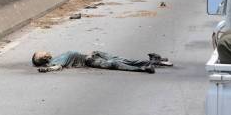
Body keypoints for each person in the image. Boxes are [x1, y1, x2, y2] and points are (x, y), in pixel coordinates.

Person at [31, 51, 172, 74]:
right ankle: (144, 68)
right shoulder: (54, 62)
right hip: (90, 60)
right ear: (41, 59)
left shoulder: (57, 56)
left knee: (121, 60)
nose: (43, 51)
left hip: (93, 54)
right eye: (40, 53)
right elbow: (57, 67)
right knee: (115, 64)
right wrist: (46, 70)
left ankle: (155, 61)